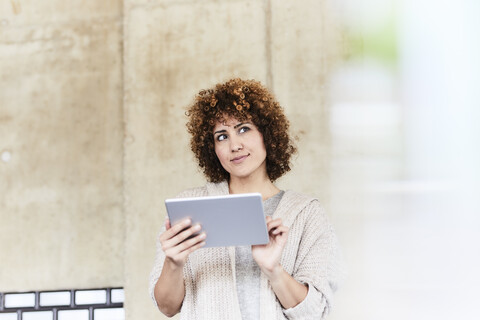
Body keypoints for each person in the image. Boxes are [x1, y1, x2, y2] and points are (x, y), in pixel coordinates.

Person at [149, 78, 342, 319]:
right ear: (212, 149)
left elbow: (316, 312)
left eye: (243, 129)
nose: (234, 145)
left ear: (267, 134)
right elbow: (167, 307)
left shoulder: (306, 213)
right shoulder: (189, 208)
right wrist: (174, 264)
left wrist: (273, 269)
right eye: (222, 136)